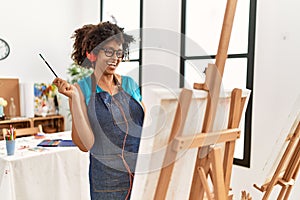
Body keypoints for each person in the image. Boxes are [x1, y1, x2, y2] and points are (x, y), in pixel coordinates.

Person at [53, 21, 144, 200]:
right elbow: (85, 145)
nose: (115, 58)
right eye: (108, 51)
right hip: (107, 182)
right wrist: (76, 100)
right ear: (94, 54)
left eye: (119, 53)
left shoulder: (130, 84)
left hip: (140, 173)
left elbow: (146, 123)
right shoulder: (80, 90)